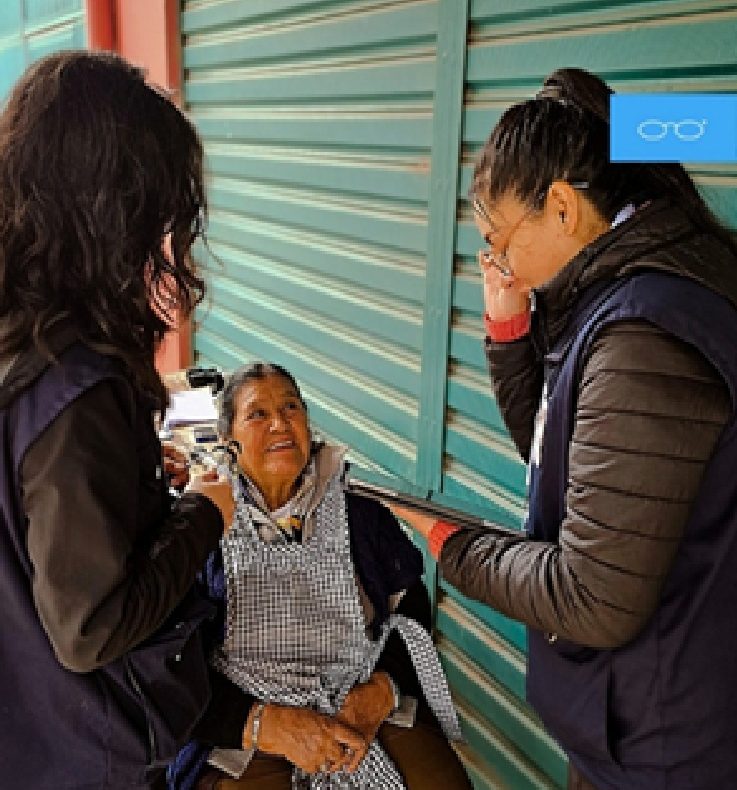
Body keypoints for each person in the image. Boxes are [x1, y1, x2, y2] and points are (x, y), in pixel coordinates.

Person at [394, 68, 737, 790]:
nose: (497, 262)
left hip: (665, 745)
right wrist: (508, 333)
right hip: (647, 717)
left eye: (498, 240)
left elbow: (593, 597)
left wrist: (451, 545)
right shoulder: (624, 291)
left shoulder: (640, 334)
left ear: (560, 206)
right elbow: (569, 465)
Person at [0, 51, 235, 789]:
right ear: (109, 213)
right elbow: (90, 627)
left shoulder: (19, 334)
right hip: (78, 754)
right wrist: (205, 512)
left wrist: (128, 486)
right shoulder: (77, 386)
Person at [167, 363, 472, 790]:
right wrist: (263, 725)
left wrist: (384, 687)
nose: (280, 424)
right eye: (258, 414)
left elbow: (411, 605)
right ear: (228, 438)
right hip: (249, 722)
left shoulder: (360, 511)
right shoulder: (203, 521)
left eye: (291, 407)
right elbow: (174, 664)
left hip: (357, 702)